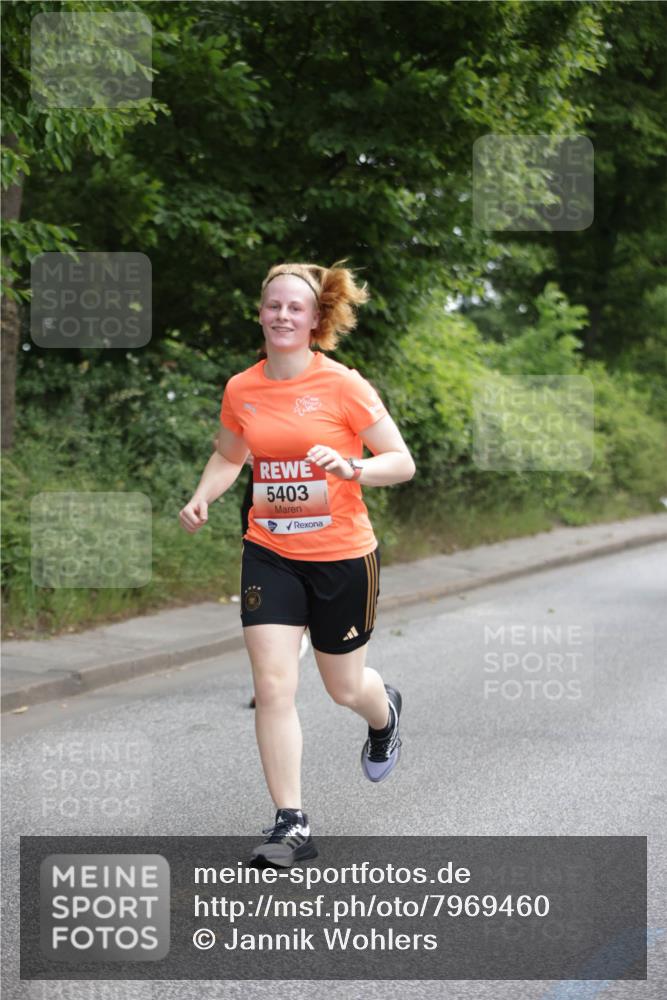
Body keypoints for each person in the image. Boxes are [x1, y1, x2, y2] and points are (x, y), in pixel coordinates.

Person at [180, 260, 416, 866]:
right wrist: (204, 495)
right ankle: (292, 823)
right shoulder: (242, 388)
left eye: (295, 308)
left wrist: (352, 468)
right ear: (261, 313)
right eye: (273, 306)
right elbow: (229, 457)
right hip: (270, 552)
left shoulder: (344, 385)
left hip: (342, 556)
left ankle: (384, 711)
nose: (282, 316)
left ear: (315, 320)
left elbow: (401, 461)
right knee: (273, 685)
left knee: (343, 688)